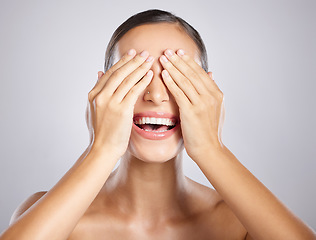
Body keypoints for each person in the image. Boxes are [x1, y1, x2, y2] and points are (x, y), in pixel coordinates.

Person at [0, 9, 315, 240]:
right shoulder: (48, 214)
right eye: (136, 75)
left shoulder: (240, 222)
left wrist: (210, 149)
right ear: (102, 91)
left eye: (176, 77)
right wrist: (101, 148)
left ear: (208, 94)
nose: (155, 95)